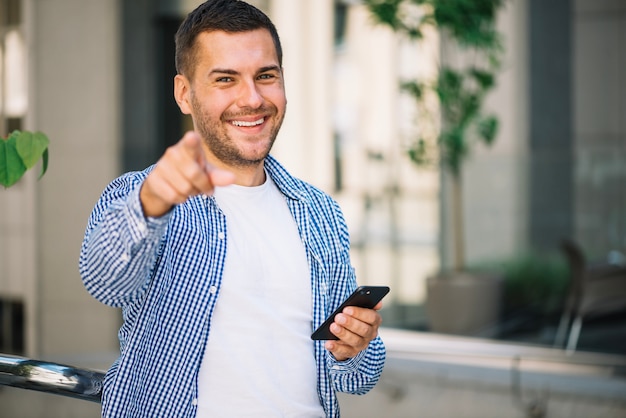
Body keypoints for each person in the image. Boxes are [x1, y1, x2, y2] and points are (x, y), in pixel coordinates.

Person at [79, 0, 386, 417]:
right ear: (184, 94)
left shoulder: (320, 212)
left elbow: (357, 379)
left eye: (266, 76)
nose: (252, 98)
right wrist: (150, 205)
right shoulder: (140, 193)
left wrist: (355, 347)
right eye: (226, 79)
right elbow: (104, 283)